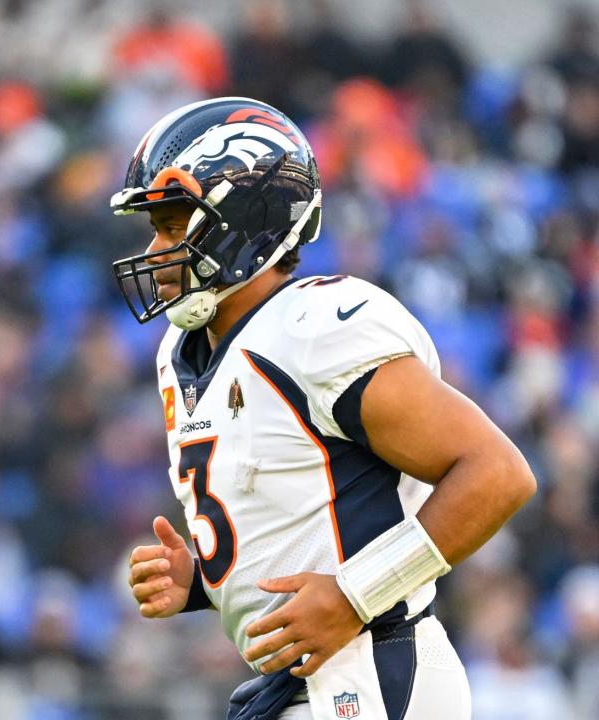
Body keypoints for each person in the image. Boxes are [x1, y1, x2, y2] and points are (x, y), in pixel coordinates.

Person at [111, 97, 536, 720]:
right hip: (306, 681)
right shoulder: (182, 352)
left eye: (174, 225)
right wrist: (202, 583)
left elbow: (498, 473)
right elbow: (307, 512)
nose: (155, 249)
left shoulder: (314, 329)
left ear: (242, 220)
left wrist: (354, 596)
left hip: (376, 670)